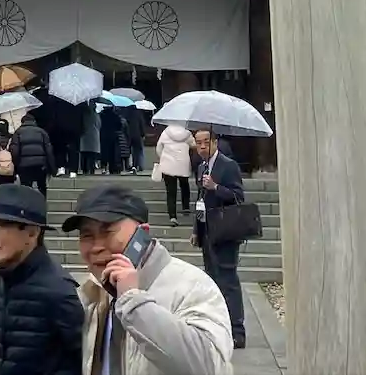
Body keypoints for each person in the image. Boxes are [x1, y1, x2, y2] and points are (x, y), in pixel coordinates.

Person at [66, 184, 233, 375]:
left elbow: (208, 366)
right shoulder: (93, 289)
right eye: (87, 235)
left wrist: (134, 303)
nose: (96, 247)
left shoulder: (192, 286)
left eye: (107, 232)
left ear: (142, 233)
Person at [0, 185, 84, 375]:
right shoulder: (1, 283)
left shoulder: (58, 291)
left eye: (2, 225)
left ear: (32, 233)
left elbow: (86, 361)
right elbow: (6, 355)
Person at [191, 129, 247, 350]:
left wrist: (216, 187)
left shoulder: (228, 165)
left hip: (225, 231)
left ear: (215, 142)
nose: (202, 147)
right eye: (198, 143)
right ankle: (219, 326)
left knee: (228, 280)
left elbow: (238, 196)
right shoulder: (201, 167)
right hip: (207, 231)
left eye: (206, 142)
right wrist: (196, 229)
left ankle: (237, 330)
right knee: (212, 279)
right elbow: (200, 200)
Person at [153, 125, 195, 227]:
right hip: (183, 163)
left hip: (168, 164)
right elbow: (194, 145)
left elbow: (159, 148)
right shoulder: (187, 133)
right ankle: (186, 206)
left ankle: (172, 216)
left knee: (171, 191)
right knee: (184, 185)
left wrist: (163, 157)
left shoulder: (166, 132)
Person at [9, 115, 56, 196]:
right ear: (34, 121)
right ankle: (41, 202)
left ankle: (27, 203)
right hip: (40, 165)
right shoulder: (42, 132)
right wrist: (52, 168)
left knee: (26, 188)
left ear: (22, 122)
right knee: (41, 186)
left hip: (24, 165)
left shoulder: (18, 132)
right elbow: (49, 151)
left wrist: (16, 166)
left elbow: (15, 151)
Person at [79, 103, 101, 176]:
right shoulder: (96, 115)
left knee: (84, 154)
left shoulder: (83, 115)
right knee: (92, 155)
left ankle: (84, 169)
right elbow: (99, 125)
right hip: (94, 135)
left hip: (84, 135)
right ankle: (91, 169)